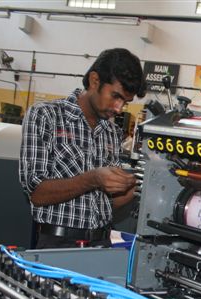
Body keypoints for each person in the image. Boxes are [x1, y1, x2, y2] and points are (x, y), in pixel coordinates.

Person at [19, 48, 144, 248]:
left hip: (102, 242)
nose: (118, 108)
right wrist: (93, 179)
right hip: (58, 244)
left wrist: (136, 188)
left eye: (125, 102)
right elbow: (37, 194)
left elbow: (104, 203)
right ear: (95, 81)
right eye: (115, 96)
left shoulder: (111, 131)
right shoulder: (46, 116)